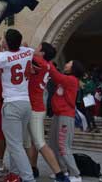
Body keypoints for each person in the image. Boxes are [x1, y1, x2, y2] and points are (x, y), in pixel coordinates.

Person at [0, 28, 35, 182]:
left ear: (6, 42)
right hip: (26, 102)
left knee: (15, 145)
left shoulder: (0, 57)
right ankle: (14, 175)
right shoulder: (28, 51)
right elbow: (24, 48)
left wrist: (0, 50)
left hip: (12, 103)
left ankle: (28, 178)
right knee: (16, 143)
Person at [26, 43, 70, 182]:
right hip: (36, 106)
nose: (35, 48)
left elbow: (25, 55)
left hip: (35, 108)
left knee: (39, 142)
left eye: (38, 47)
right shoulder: (49, 65)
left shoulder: (39, 62)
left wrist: (23, 48)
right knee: (33, 142)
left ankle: (59, 174)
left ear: (43, 53)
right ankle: (33, 168)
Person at [49, 60, 85, 182]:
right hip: (58, 114)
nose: (66, 64)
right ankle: (62, 171)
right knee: (53, 144)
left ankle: (75, 174)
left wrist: (46, 62)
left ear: (73, 67)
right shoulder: (67, 78)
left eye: (69, 63)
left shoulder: (71, 80)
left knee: (64, 146)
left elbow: (56, 75)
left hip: (66, 116)